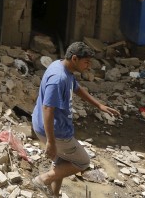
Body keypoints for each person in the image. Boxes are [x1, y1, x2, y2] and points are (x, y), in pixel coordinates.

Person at [31, 41, 120, 197]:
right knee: (82, 162)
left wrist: (99, 105)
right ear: (74, 59)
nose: (89, 66)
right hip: (55, 131)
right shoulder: (58, 78)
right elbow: (47, 109)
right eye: (86, 62)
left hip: (50, 126)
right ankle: (42, 179)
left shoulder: (63, 68)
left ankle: (54, 194)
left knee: (60, 161)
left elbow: (76, 88)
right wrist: (51, 142)